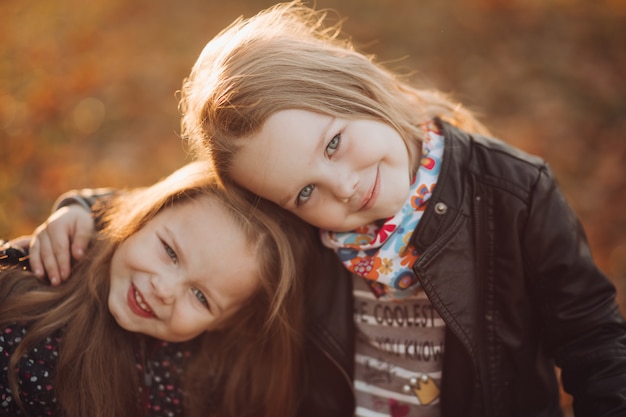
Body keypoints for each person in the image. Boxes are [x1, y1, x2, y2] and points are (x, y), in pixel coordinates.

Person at [22, 2, 626, 417]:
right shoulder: (304, 224)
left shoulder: (512, 194)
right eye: (304, 192)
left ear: (356, 87)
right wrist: (87, 213)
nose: (341, 189)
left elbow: (594, 341)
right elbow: (185, 221)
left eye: (334, 143)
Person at [1, 160, 310, 417]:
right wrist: (78, 206)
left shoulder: (206, 390)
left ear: (224, 322)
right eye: (170, 252)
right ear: (145, 216)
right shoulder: (20, 300)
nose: (165, 290)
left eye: (201, 297)